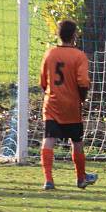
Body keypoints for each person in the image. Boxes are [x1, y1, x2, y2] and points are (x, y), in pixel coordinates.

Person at [39, 19, 98, 190]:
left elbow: (43, 81)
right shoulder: (79, 56)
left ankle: (48, 180)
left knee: (49, 139)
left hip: (52, 104)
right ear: (74, 35)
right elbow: (83, 82)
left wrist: (51, 94)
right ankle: (81, 178)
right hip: (71, 106)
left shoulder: (49, 54)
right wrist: (82, 98)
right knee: (77, 141)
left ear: (58, 35)